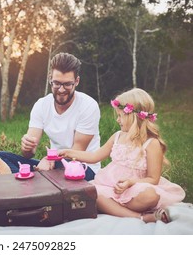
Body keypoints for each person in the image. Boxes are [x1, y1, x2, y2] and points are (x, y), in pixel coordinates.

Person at [59, 88, 186, 223]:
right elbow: (94, 156)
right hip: (111, 187)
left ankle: (114, 208)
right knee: (94, 193)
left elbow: (153, 179)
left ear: (133, 116)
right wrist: (69, 152)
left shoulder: (151, 143)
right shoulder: (118, 136)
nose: (118, 120)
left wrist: (130, 182)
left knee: (151, 196)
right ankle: (140, 217)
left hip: (135, 188)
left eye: (120, 116)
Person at [0, 52, 101, 181]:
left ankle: (36, 181)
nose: (61, 90)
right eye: (56, 83)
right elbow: (28, 154)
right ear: (50, 79)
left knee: (50, 169)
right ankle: (41, 181)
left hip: (82, 168)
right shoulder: (41, 105)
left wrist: (49, 159)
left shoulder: (88, 106)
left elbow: (75, 154)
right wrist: (27, 147)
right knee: (0, 157)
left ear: (76, 81)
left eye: (67, 84)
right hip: (53, 165)